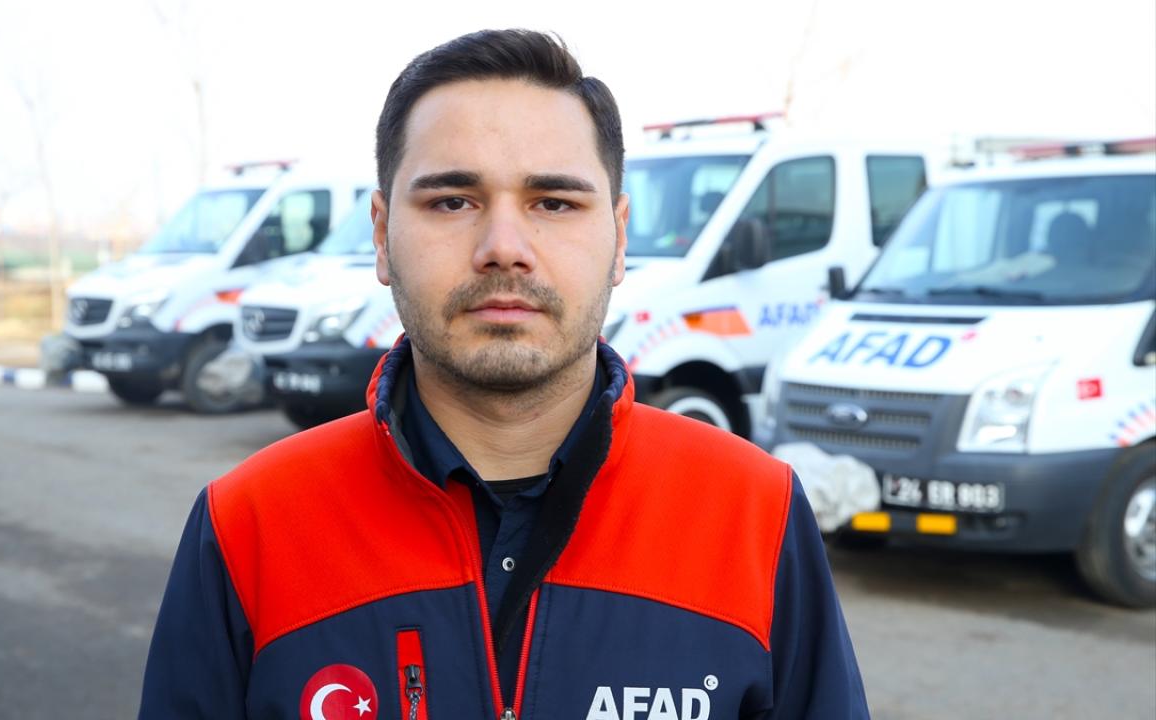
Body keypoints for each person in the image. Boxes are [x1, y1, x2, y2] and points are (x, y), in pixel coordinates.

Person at [139, 29, 869, 720]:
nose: (504, 246)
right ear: (383, 236)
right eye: (453, 201)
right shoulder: (249, 525)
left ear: (619, 238)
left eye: (553, 202)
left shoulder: (755, 515)